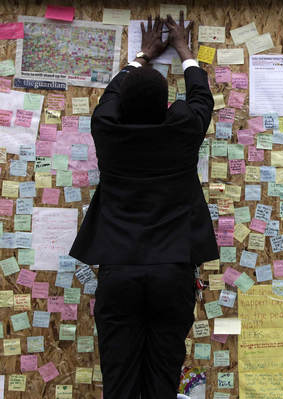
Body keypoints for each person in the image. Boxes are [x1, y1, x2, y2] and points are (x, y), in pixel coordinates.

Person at [68, 12, 218, 399]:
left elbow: (110, 97)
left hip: (120, 273)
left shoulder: (108, 131)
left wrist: (141, 55)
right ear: (167, 105)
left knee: (119, 382)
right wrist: (185, 52)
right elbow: (201, 98)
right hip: (172, 273)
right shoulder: (182, 129)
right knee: (162, 379)